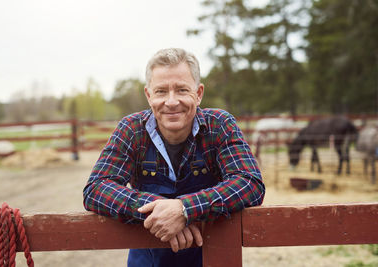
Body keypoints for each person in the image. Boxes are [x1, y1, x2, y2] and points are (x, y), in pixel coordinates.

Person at [83, 48, 265, 267]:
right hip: (147, 258)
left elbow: (249, 182)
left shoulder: (219, 125)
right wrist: (159, 209)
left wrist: (185, 209)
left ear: (198, 94)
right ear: (148, 95)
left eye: (181, 90)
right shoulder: (131, 130)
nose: (171, 101)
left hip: (210, 256)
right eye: (161, 91)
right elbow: (96, 188)